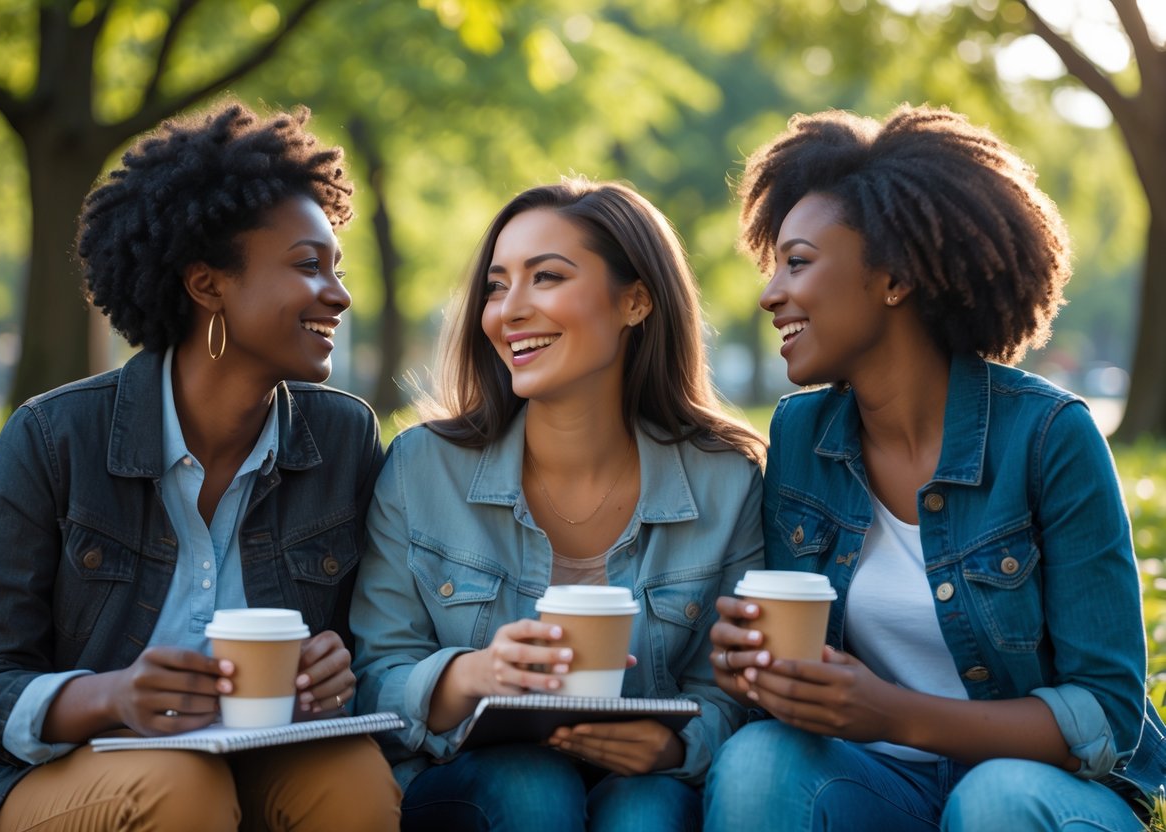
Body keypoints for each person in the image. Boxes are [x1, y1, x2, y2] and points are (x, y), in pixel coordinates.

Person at [702, 104, 1166, 831]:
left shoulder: (1049, 437)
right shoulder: (800, 434)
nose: (769, 295)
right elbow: (804, 667)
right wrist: (750, 667)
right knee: (759, 758)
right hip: (878, 782)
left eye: (796, 262)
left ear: (893, 277)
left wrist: (896, 714)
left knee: (992, 800)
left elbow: (1105, 715)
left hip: (1037, 793)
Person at [0, 101, 401, 831]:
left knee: (349, 775)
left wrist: (335, 666)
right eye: (307, 266)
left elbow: (367, 646)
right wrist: (113, 696)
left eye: (337, 268)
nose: (340, 294)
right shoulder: (53, 437)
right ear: (207, 284)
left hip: (255, 753)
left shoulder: (342, 436)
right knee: (178, 785)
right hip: (63, 771)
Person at [350, 178, 767, 831]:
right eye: (495, 284)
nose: (508, 310)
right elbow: (373, 672)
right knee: (530, 784)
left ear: (634, 300)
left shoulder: (725, 479)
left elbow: (735, 688)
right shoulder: (420, 467)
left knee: (647, 811)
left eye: (545, 277)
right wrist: (470, 676)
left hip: (643, 784)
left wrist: (672, 744)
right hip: (472, 787)